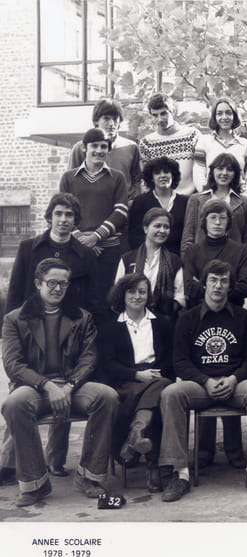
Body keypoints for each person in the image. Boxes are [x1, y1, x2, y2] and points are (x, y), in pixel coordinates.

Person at [1, 258, 119, 507]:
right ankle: (35, 483)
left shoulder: (82, 318)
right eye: (52, 283)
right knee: (14, 404)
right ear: (38, 283)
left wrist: (69, 385)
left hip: (72, 387)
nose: (58, 288)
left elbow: (89, 358)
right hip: (34, 388)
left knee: (106, 396)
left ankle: (89, 477)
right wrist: (48, 385)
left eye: (63, 284)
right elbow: (13, 365)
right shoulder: (15, 319)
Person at [1, 193, 101, 481]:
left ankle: (55, 460)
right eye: (59, 213)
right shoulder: (29, 247)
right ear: (49, 216)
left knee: (63, 391)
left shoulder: (84, 255)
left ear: (76, 220)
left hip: (70, 327)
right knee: (22, 395)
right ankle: (9, 464)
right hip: (30, 331)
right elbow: (15, 293)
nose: (63, 220)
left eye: (69, 215)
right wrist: (11, 335)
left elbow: (93, 298)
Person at [158, 259, 247, 501]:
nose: (218, 286)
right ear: (204, 284)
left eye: (224, 281)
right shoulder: (188, 318)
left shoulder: (245, 318)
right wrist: (205, 381)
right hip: (200, 386)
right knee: (171, 394)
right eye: (213, 280)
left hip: (235, 384)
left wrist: (234, 379)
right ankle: (179, 474)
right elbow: (180, 361)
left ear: (230, 286)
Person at [97, 273, 174, 493]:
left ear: (148, 295)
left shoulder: (162, 323)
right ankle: (152, 465)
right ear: (122, 294)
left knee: (161, 389)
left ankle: (136, 435)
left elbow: (171, 357)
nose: (137, 296)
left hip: (157, 376)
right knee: (155, 397)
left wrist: (154, 373)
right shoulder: (111, 327)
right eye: (132, 291)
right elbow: (108, 363)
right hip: (127, 381)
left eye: (142, 291)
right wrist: (136, 375)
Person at [59, 128, 129, 305]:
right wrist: (82, 240)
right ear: (84, 147)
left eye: (103, 146)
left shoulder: (117, 177)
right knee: (76, 299)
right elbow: (62, 212)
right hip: (76, 248)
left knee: (107, 301)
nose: (99, 150)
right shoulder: (68, 177)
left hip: (108, 250)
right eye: (94, 146)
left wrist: (96, 237)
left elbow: (121, 212)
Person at [68, 98, 142, 203]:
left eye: (115, 119)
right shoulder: (81, 148)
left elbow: (137, 180)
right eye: (106, 119)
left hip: (125, 207)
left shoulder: (131, 147)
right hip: (92, 206)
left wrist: (133, 201)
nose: (111, 123)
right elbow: (71, 181)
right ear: (96, 121)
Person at [116, 207, 186, 319]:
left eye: (166, 227)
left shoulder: (174, 261)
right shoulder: (127, 259)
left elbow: (179, 296)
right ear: (145, 228)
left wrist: (163, 314)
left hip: (164, 321)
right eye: (157, 226)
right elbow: (118, 292)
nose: (162, 231)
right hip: (131, 319)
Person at [183, 199, 247, 308]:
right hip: (199, 310)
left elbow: (245, 288)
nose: (217, 222)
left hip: (232, 310)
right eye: (213, 217)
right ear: (204, 221)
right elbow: (189, 287)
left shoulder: (241, 250)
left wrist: (203, 287)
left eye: (222, 218)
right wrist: (227, 287)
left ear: (228, 222)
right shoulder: (192, 251)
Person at [180, 152, 247, 257]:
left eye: (230, 169)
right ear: (212, 171)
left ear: (235, 174)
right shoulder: (196, 200)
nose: (224, 173)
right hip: (201, 260)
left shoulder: (244, 202)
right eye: (220, 168)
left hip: (233, 260)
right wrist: (187, 262)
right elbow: (188, 235)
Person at [193, 97, 247, 200]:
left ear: (234, 116)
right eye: (219, 113)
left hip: (238, 199)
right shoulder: (204, 141)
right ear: (214, 117)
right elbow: (199, 172)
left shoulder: (244, 144)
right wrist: (207, 196)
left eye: (228, 113)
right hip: (210, 200)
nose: (224, 117)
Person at [138, 93, 200, 196]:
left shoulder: (192, 135)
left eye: (164, 113)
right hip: (161, 201)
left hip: (190, 198)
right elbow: (147, 178)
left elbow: (202, 169)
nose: (160, 119)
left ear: (173, 111)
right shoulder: (146, 144)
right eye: (155, 115)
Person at [128, 156, 189, 255]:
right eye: (157, 173)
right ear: (151, 178)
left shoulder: (185, 202)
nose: (163, 175)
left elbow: (187, 235)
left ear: (173, 175)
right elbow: (134, 236)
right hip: (147, 257)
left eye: (166, 172)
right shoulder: (140, 202)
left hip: (177, 257)